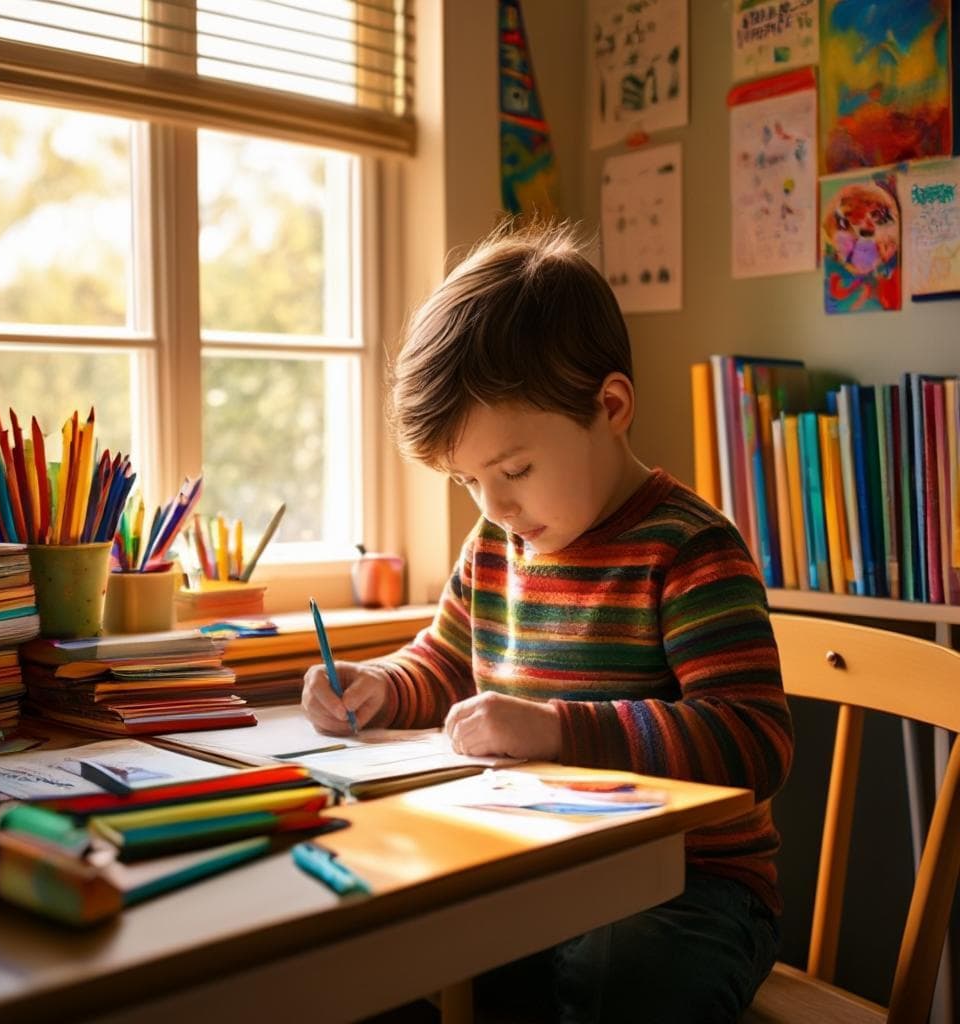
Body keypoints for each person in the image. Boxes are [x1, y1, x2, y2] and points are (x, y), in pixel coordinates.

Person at [302, 221, 793, 1023]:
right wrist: (379, 689)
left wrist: (559, 729)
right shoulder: (497, 545)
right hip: (528, 868)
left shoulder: (689, 550)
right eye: (467, 481)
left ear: (610, 406)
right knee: (389, 959)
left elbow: (752, 742)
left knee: (615, 978)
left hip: (686, 886)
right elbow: (446, 664)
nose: (494, 505)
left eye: (515, 470)